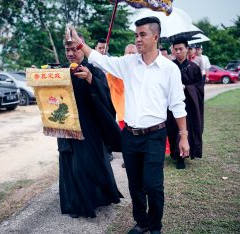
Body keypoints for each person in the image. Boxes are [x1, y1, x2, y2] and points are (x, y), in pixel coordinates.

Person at [68, 16, 189, 234]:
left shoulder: (169, 69)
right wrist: (79, 43)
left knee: (153, 185)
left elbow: (178, 105)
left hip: (155, 135)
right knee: (135, 185)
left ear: (155, 37)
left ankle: (155, 226)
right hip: (130, 136)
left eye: (142, 34)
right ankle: (141, 222)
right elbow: (100, 59)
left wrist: (183, 135)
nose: (138, 39)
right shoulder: (128, 63)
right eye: (136, 35)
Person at [58, 33, 123, 218]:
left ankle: (98, 198)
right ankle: (76, 203)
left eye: (74, 49)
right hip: (67, 126)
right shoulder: (62, 71)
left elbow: (106, 97)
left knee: (89, 163)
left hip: (89, 126)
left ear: (82, 48)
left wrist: (90, 79)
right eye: (67, 49)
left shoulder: (93, 68)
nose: (71, 53)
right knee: (72, 165)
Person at [167, 37, 204, 169]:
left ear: (187, 50)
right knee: (171, 129)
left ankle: (181, 157)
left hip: (188, 105)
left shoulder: (194, 67)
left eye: (181, 49)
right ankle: (173, 152)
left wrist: (186, 88)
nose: (178, 52)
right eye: (175, 49)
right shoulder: (170, 66)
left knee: (183, 130)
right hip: (172, 104)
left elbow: (199, 87)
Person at [106, 44, 137, 168]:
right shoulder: (117, 71)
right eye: (128, 53)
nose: (130, 55)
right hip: (123, 111)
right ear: (124, 55)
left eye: (133, 53)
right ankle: (128, 158)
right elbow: (110, 78)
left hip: (138, 111)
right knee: (125, 138)